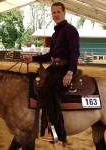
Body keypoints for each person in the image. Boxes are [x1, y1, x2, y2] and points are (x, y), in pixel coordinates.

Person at [24, 2, 80, 143]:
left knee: (49, 91)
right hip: (55, 67)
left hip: (64, 68)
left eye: (58, 12)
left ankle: (58, 133)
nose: (56, 15)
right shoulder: (55, 34)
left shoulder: (70, 30)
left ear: (64, 13)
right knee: (35, 81)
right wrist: (33, 58)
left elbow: (75, 52)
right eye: (53, 12)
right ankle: (40, 123)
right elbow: (49, 55)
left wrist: (70, 72)